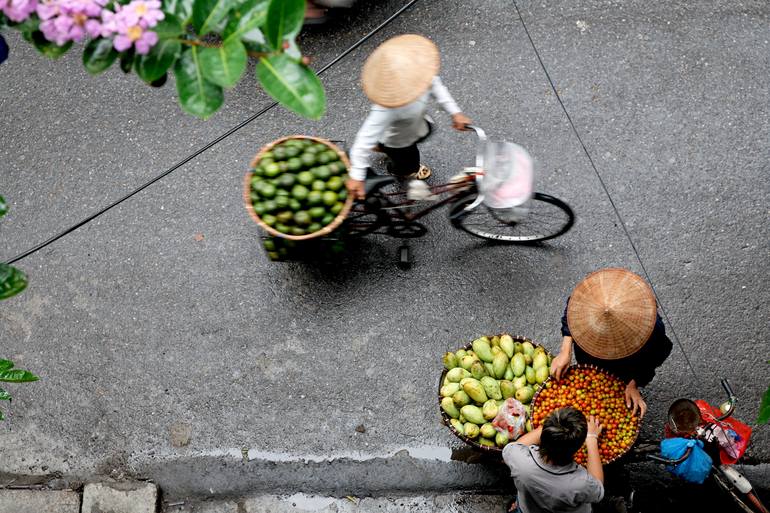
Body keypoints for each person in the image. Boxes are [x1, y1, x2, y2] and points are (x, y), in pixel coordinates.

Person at [345, 34, 472, 200]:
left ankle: (381, 146)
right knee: (407, 162)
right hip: (399, 142)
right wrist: (357, 175)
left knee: (421, 133)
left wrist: (455, 112)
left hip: (415, 126)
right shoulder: (385, 109)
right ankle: (401, 170)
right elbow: (362, 141)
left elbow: (436, 86)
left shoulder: (420, 76)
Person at [550, 268, 674, 418]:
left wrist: (633, 383)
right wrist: (565, 350)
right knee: (595, 379)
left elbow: (655, 356)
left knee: (616, 385)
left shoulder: (653, 330)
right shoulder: (591, 296)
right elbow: (571, 311)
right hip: (589, 357)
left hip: (627, 365)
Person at [503, 407, 604, 513]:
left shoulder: (520, 461)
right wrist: (592, 439)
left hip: (527, 508)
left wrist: (554, 426)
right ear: (578, 447)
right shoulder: (580, 483)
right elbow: (599, 488)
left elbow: (514, 447)